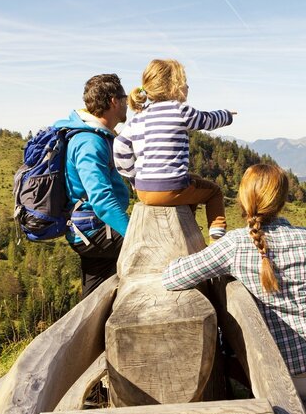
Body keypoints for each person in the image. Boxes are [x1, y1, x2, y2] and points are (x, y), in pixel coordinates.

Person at [162, 164, 306, 400]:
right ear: (281, 201)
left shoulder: (235, 244)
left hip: (291, 381)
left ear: (243, 199)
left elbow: (172, 277)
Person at [113, 59, 235, 240]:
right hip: (172, 188)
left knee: (195, 180)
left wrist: (134, 177)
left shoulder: (139, 117)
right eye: (184, 82)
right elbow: (207, 120)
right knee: (214, 192)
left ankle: (189, 223)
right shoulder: (179, 110)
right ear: (174, 86)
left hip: (144, 192)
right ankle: (217, 234)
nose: (187, 86)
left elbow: (120, 146)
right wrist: (227, 115)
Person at [54, 73, 131, 298]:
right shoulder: (90, 142)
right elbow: (102, 200)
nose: (127, 103)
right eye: (124, 98)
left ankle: (90, 330)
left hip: (87, 230)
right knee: (159, 251)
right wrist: (133, 234)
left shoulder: (96, 135)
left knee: (95, 297)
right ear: (113, 101)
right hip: (95, 231)